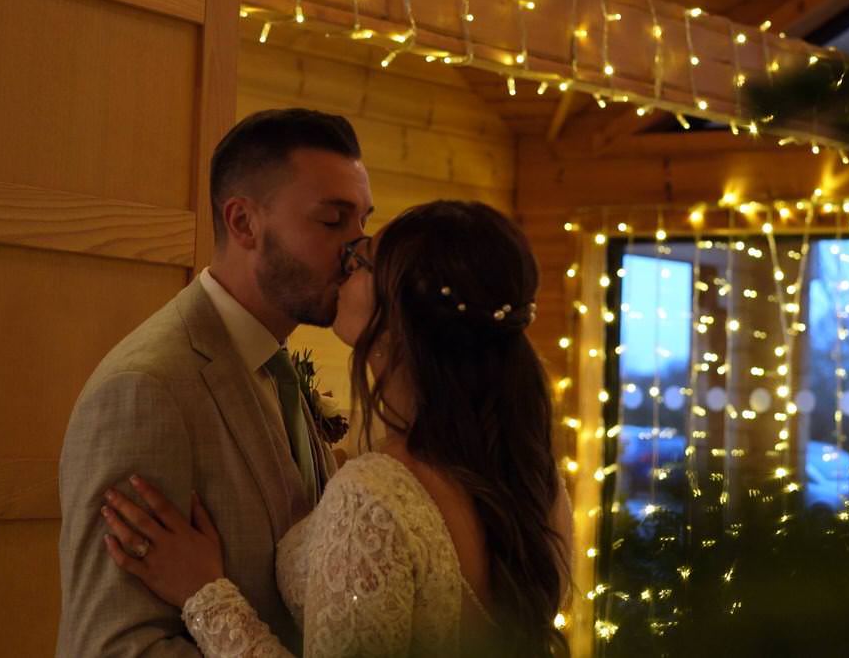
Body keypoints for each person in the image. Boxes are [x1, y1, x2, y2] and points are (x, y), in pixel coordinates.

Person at [100, 200, 574, 656]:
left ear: (397, 322)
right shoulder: (537, 479)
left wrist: (204, 594)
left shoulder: (375, 495)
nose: (346, 262)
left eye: (364, 262)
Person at [57, 108, 373, 655]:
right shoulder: (148, 389)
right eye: (332, 221)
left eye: (362, 223)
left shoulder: (275, 367)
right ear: (244, 223)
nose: (356, 252)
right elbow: (113, 647)